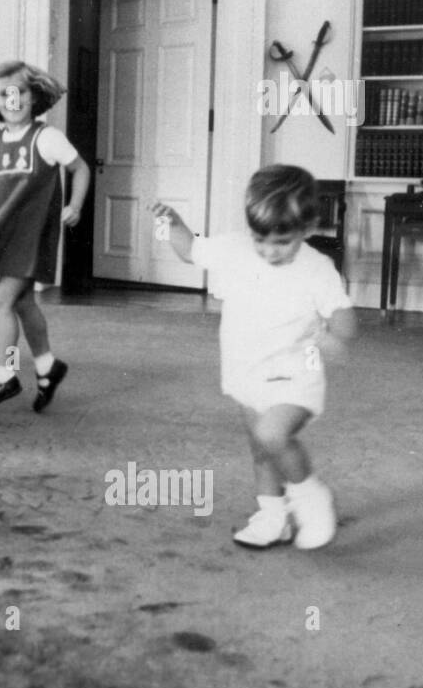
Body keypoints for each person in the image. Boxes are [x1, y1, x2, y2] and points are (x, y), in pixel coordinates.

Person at [151, 165, 356, 549]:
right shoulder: (235, 249)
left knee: (272, 433)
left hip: (296, 375)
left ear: (308, 227)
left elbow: (345, 320)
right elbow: (190, 249)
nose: (268, 250)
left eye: (282, 242)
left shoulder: (317, 269)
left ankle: (312, 498)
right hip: (246, 374)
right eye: (261, 239)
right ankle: (272, 517)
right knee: (262, 450)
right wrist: (173, 224)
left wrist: (332, 339)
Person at [0, 60, 89, 412]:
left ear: (35, 97)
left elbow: (80, 169)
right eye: (4, 94)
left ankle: (4, 376)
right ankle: (48, 367)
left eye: (19, 93)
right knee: (21, 302)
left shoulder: (46, 137)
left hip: (32, 236)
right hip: (6, 234)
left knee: (1, 301)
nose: (12, 100)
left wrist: (75, 205)